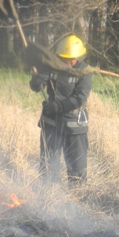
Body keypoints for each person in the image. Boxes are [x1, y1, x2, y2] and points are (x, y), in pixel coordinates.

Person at [29, 34, 93, 186]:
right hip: (51, 122)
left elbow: (80, 98)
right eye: (63, 58)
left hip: (74, 125)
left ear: (78, 57)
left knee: (77, 170)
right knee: (48, 166)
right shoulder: (51, 65)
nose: (66, 62)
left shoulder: (85, 71)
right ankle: (48, 197)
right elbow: (37, 84)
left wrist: (58, 106)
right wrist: (36, 82)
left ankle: (77, 200)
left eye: (70, 59)